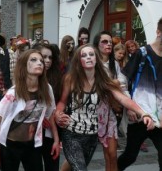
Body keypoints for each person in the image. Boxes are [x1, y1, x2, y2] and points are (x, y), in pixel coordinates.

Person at [55, 44, 154, 171]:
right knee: (80, 168)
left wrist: (143, 113)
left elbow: (122, 98)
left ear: (96, 59)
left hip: (91, 136)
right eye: (84, 55)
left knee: (73, 166)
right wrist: (58, 114)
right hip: (72, 133)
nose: (88, 57)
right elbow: (62, 102)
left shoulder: (103, 80)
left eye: (91, 54)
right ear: (79, 61)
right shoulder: (71, 79)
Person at [0, 49, 60, 171]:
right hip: (10, 145)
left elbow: (51, 115)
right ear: (24, 66)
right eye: (34, 60)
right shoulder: (13, 93)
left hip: (32, 145)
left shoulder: (47, 89)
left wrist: (56, 140)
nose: (40, 63)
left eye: (41, 61)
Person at [118, 18, 162, 170]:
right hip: (139, 115)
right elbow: (123, 79)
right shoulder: (142, 53)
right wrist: (129, 106)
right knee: (130, 156)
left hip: (160, 117)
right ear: (158, 32)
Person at [93, 31, 129, 171]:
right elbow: (97, 85)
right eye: (104, 41)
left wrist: (129, 105)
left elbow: (122, 83)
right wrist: (113, 83)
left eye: (110, 42)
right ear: (97, 44)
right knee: (84, 155)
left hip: (110, 113)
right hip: (92, 113)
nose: (108, 44)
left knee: (112, 155)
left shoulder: (114, 63)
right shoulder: (92, 62)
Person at [34, 43, 62, 171]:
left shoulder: (57, 78)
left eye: (50, 58)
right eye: (44, 57)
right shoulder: (26, 80)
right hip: (32, 132)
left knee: (52, 165)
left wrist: (57, 114)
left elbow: (59, 104)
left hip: (51, 129)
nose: (47, 61)